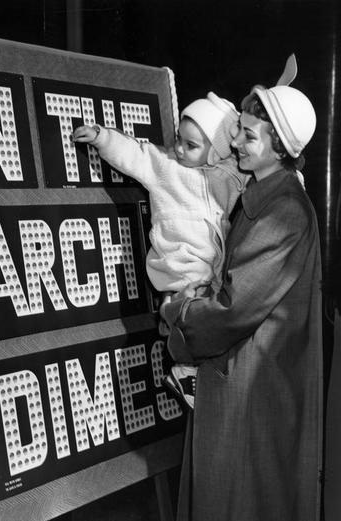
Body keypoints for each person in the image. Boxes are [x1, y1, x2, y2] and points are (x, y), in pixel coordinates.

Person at [161, 56, 322, 521]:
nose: (234, 140)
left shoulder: (283, 213)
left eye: (249, 136)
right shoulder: (265, 197)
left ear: (280, 149)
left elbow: (234, 309)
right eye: (240, 130)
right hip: (245, 385)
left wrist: (179, 315)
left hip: (253, 395)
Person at [72, 92, 246, 408]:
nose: (179, 148)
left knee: (209, 325)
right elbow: (136, 154)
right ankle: (184, 372)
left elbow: (259, 175)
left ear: (215, 151)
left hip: (214, 271)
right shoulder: (166, 167)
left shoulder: (228, 176)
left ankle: (190, 373)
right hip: (178, 267)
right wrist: (102, 137)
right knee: (185, 320)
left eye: (191, 145)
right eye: (179, 138)